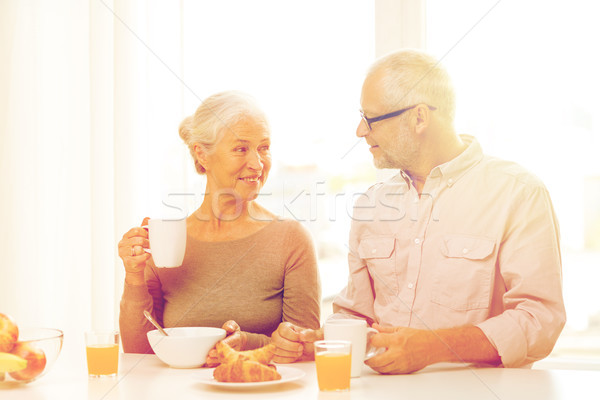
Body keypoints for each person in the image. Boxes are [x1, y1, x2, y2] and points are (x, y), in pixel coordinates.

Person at [271, 49, 566, 373]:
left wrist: (433, 347)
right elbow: (357, 315)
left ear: (419, 117)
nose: (359, 131)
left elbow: (540, 320)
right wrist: (320, 340)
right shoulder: (371, 205)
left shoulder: (518, 193)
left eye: (370, 118)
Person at [118, 91, 321, 362]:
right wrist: (133, 278)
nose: (258, 163)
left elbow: (305, 349)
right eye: (241, 148)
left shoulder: (291, 239)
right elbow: (138, 353)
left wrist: (247, 344)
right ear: (202, 155)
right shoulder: (167, 240)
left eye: (264, 147)